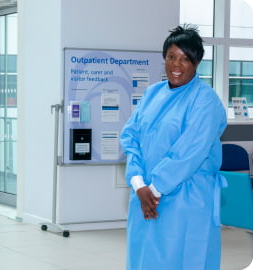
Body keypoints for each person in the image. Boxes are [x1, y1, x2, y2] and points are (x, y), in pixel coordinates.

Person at [120, 25, 227, 270]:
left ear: (197, 62)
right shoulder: (152, 93)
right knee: (143, 258)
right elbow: (130, 137)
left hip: (184, 198)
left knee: (181, 259)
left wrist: (156, 190)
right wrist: (138, 183)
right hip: (145, 195)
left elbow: (190, 152)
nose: (176, 65)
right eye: (171, 57)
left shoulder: (204, 100)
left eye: (185, 59)